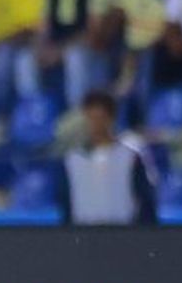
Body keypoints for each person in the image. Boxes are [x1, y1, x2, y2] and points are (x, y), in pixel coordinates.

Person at [64, 90, 156, 225]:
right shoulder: (72, 161)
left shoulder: (129, 158)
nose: (95, 125)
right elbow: (67, 205)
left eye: (100, 118)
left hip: (123, 234)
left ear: (111, 119)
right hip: (84, 234)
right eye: (91, 119)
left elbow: (145, 202)